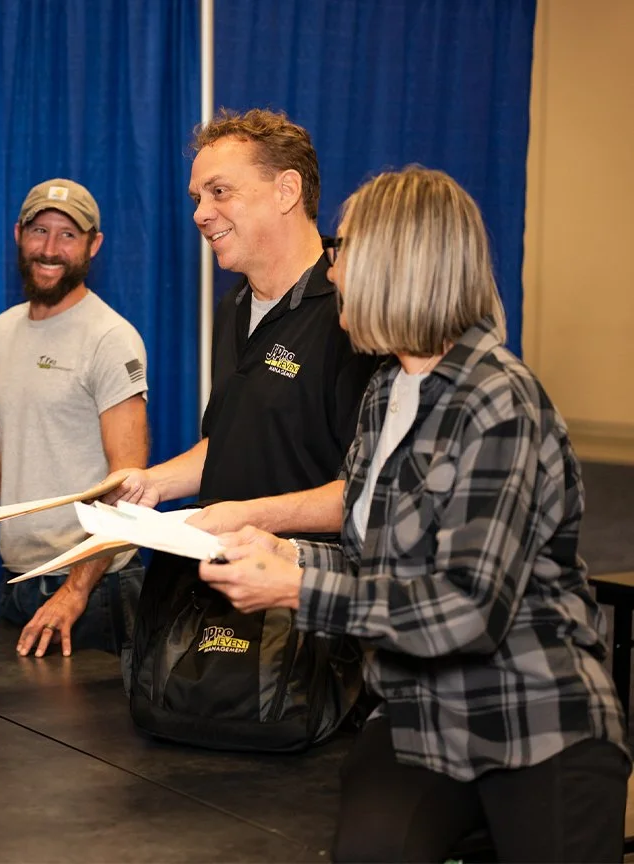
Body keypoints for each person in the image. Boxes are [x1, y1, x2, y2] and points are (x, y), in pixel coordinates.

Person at [200, 167, 630, 863]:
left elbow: (465, 610)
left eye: (343, 253)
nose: (332, 273)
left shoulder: (497, 400)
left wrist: (298, 588)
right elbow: (380, 562)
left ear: (400, 265)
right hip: (416, 713)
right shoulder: (386, 393)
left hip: (533, 717)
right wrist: (280, 551)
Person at [107, 108, 378, 537]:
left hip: (301, 590)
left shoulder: (356, 314)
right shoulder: (233, 304)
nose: (200, 214)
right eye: (198, 198)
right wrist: (151, 483)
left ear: (287, 190)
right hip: (218, 586)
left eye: (219, 191)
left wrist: (251, 517)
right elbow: (236, 443)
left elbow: (373, 494)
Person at [0, 179, 150, 659]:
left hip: (95, 591)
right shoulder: (0, 333)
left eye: (68, 235)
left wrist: (77, 590)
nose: (50, 249)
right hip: (17, 584)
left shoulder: (111, 339)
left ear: (93, 245)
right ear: (19, 233)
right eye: (40, 230)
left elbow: (129, 486)